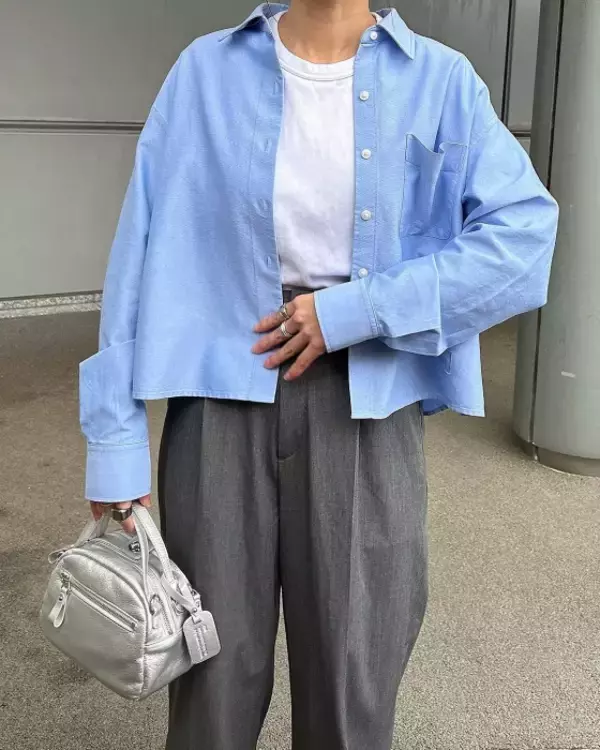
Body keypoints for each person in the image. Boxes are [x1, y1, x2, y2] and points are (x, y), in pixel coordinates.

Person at [80, 2, 559, 748]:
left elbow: (524, 240)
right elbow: (137, 251)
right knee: (208, 679)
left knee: (352, 682)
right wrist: (114, 439)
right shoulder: (205, 71)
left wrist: (359, 310)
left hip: (367, 401)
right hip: (220, 396)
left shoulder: (442, 81)